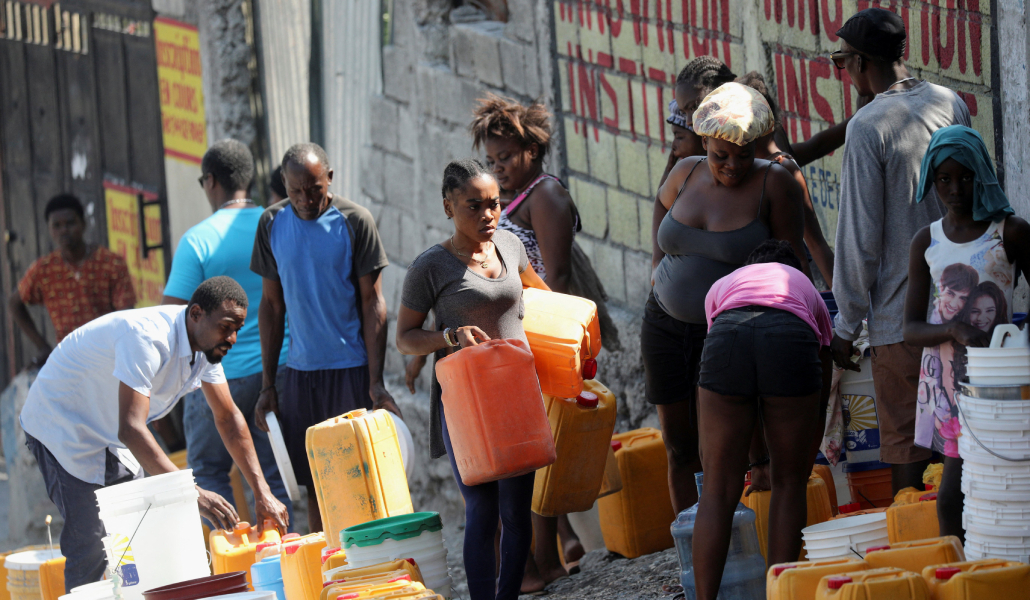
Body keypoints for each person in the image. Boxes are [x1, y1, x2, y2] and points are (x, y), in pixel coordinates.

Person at [19, 276, 289, 591]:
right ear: (196, 314)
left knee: (136, 530)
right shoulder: (147, 337)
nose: (232, 338)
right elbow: (132, 428)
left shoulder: (205, 348)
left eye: (237, 330)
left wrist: (262, 492)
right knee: (91, 539)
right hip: (60, 421)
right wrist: (190, 491)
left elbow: (229, 419)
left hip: (105, 429)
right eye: (226, 327)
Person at [644, 82, 808, 514]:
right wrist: (657, 267)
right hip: (663, 323)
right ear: (704, 143)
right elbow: (660, 206)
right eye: (721, 155)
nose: (733, 165)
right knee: (680, 447)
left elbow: (793, 261)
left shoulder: (775, 184)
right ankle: (688, 554)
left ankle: (743, 545)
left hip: (731, 332)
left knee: (732, 452)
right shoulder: (685, 172)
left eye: (743, 154)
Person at [829, 7, 972, 493]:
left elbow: (860, 239)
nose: (841, 71)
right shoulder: (950, 101)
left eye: (841, 60)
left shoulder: (868, 127)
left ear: (862, 62)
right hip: (965, 306)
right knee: (964, 442)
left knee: (909, 454)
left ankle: (920, 547)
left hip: (900, 320)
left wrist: (845, 326)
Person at [395, 159, 550, 600]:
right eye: (473, 206)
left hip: (517, 396)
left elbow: (541, 296)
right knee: (482, 509)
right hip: (466, 404)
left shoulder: (510, 245)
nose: (487, 215)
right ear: (448, 207)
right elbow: (405, 338)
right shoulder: (430, 267)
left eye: (494, 205)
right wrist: (447, 336)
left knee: (518, 513)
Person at [468, 93, 592, 590]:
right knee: (528, 449)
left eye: (506, 159)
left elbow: (555, 275)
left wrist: (546, 342)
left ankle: (542, 561)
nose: (498, 169)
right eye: (492, 160)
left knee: (534, 449)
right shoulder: (515, 198)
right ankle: (550, 554)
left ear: (533, 150)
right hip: (516, 336)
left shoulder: (547, 197)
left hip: (539, 336)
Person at [250, 143, 398, 533]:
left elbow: (374, 303)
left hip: (350, 370)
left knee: (359, 475)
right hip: (301, 376)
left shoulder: (355, 221)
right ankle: (331, 568)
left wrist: (376, 381)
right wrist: (269, 385)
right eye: (295, 190)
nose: (305, 199)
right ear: (284, 184)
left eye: (314, 189)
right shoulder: (270, 223)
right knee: (316, 483)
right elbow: (271, 306)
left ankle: (372, 563)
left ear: (329, 179)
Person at [903, 125, 1030, 543]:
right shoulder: (928, 241)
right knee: (953, 492)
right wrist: (953, 329)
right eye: (944, 179)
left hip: (1002, 379)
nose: (956, 188)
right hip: (951, 383)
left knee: (1006, 480)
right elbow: (911, 329)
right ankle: (956, 570)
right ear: (931, 181)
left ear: (982, 174)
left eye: (966, 177)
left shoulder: (1009, 232)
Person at [162, 139, 293, 527]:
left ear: (211, 181)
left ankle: (231, 563)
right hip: (279, 369)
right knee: (275, 476)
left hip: (218, 376)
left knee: (209, 472)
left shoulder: (198, 239)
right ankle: (286, 556)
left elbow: (172, 314)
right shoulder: (277, 223)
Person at [692, 240, 832, 597]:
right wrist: (799, 458)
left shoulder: (725, 285)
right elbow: (822, 374)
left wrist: (756, 463)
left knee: (718, 489)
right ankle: (778, 591)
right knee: (789, 484)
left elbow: (737, 380)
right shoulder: (804, 288)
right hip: (790, 337)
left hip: (728, 336)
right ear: (795, 269)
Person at [734, 72, 836, 287]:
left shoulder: (781, 168)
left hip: (778, 288)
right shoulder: (739, 165)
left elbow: (812, 246)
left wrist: (842, 309)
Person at [8, 193, 136, 366]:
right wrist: (43, 347)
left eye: (70, 223)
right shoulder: (44, 269)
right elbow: (14, 303)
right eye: (57, 226)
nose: (64, 230)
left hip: (108, 356)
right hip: (68, 360)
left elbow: (126, 313)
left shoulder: (111, 263)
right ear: (50, 230)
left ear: (83, 224)